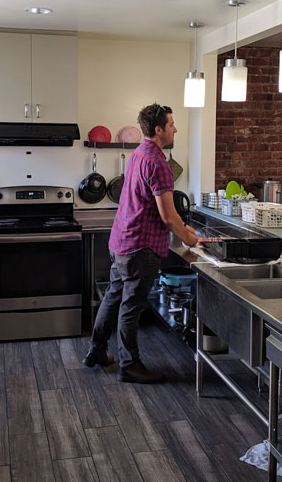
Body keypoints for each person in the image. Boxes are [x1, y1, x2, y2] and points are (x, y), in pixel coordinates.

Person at [84, 103, 198, 383]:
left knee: (113, 296)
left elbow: (153, 206)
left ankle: (97, 350)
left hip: (121, 241)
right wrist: (189, 238)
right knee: (131, 306)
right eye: (171, 124)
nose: (175, 129)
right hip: (139, 248)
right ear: (159, 130)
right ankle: (130, 365)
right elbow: (168, 217)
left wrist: (182, 228)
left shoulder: (138, 154)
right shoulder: (159, 163)